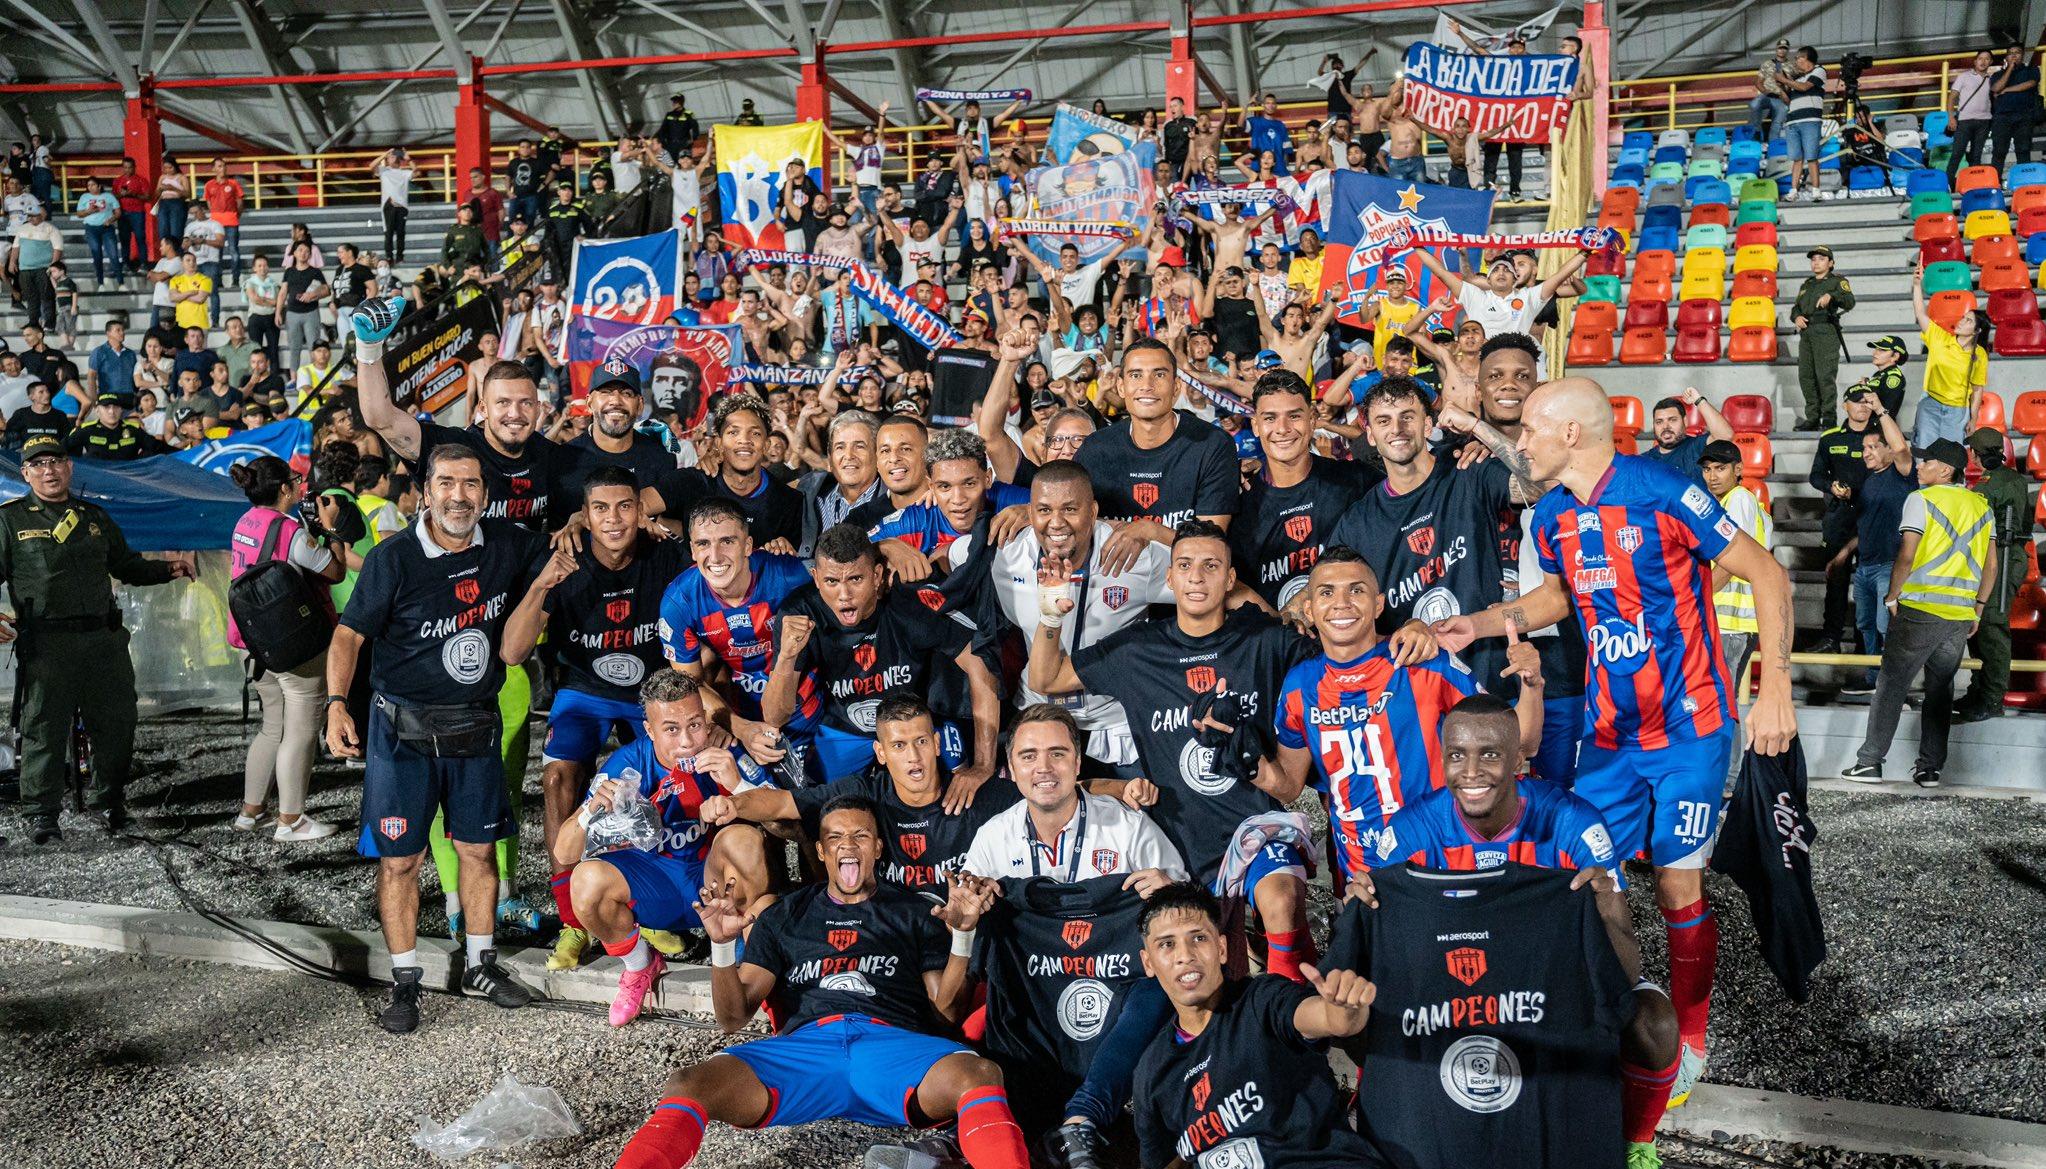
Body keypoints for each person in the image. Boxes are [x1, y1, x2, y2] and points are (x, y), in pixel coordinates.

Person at [1434, 376, 1797, 1108]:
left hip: (1690, 726)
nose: (1520, 439)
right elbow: (1559, 599)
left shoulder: (1664, 489)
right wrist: (1476, 623)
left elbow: (1766, 570)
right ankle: (1617, 1013)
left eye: (1531, 427)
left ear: (1572, 433)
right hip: (1609, 732)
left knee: (1674, 881)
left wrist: (1775, 687)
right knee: (1588, 871)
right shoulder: (1552, 518)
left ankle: (1689, 1035)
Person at [1343, 693, 1683, 1169]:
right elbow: (1376, 963)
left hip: (1548, 994)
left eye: (1490, 754)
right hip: (1451, 998)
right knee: (1352, 1015)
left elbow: (1623, 973)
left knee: (1653, 1021)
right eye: (1458, 755)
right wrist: (1360, 906)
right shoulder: (1408, 832)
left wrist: (1606, 904)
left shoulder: (1575, 823)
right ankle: (1400, 1116)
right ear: (1442, 758)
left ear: (1520, 759)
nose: (1472, 771)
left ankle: (1636, 1142)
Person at [610, 795, 1031, 1169]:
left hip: (893, 1049)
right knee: (688, 1083)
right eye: (835, 838)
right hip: (806, 1051)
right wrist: (721, 947)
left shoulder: (914, 912)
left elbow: (947, 1010)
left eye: (861, 835)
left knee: (978, 1074)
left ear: (878, 848)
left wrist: (962, 937)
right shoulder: (785, 916)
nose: (848, 844)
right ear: (821, 851)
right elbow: (732, 1019)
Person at [1028, 520, 1320, 980]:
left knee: (1281, 902)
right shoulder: (1138, 649)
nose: (1197, 577)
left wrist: (1309, 610)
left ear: (1230, 579)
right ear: (1169, 577)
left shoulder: (1266, 639)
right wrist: (1049, 614)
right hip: (1177, 843)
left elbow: (1335, 653)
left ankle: (1299, 1015)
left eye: (1210, 566)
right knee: (1214, 976)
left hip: (1255, 824)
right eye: (1184, 565)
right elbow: (1044, 680)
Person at [324, 443, 548, 1033]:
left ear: (485, 492)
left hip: (475, 723)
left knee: (478, 851)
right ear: (425, 490)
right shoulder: (393, 558)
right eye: (446, 483)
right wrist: (335, 705)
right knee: (401, 861)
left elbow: (569, 549)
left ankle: (481, 963)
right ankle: (404, 980)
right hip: (402, 731)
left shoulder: (510, 546)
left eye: (471, 484)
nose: (459, 496)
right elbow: (348, 637)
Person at [502, 465, 689, 972]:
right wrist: (542, 585)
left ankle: (649, 908)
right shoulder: (563, 562)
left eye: (625, 507)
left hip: (650, 691)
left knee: (668, 780)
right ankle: (570, 916)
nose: (614, 519)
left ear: (640, 511)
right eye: (601, 509)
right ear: (583, 517)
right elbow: (513, 651)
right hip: (585, 690)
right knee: (560, 777)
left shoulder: (666, 554)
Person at [0, 435, 195, 843]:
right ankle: (44, 816)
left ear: (69, 467)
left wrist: (168, 568)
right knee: (44, 727)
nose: (48, 470)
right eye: (38, 465)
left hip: (103, 642)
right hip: (47, 645)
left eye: (55, 461)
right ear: (25, 473)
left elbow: (125, 565)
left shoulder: (94, 517)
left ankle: (111, 802)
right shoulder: (9, 520)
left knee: (117, 724)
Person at [553, 670, 772, 1026]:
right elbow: (564, 853)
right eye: (671, 729)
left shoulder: (723, 749)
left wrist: (739, 783)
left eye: (695, 725)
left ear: (706, 719)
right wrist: (589, 811)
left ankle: (747, 963)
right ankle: (640, 965)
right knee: (586, 880)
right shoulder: (627, 765)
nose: (687, 741)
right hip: (655, 887)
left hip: (714, 883)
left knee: (745, 839)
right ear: (649, 730)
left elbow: (787, 824)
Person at [1130, 882, 1380, 1169]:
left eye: (1199, 938)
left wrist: (1344, 1007)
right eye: (1167, 944)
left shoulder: (1262, 1000)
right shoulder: (1151, 1072)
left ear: (1222, 948)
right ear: (1148, 962)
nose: (1185, 955)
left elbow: (1325, 1018)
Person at [1275, 547, 1485, 874]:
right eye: (1327, 592)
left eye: (1356, 590)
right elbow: (1288, 785)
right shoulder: (1299, 685)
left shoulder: (1425, 661)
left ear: (1378, 604)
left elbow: (1518, 742)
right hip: (1359, 877)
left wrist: (1532, 686)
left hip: (1443, 862)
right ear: (1310, 609)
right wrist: (1248, 761)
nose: (1342, 602)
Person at [762, 525, 1000, 787]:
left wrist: (983, 765)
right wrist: (785, 658)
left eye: (855, 579)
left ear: (876, 576)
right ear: (816, 578)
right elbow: (774, 718)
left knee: (960, 792)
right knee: (817, 805)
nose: (844, 595)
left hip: (918, 723)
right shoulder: (800, 613)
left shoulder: (909, 599)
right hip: (848, 729)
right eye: (831, 582)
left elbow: (980, 662)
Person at [1842, 439, 1995, 788]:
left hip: (1920, 608)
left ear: (1945, 470)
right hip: (1958, 613)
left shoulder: (1920, 500)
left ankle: (1869, 762)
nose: (1919, 466)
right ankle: (1929, 769)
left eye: (1927, 462)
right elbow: (1991, 566)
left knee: (1891, 685)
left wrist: (1892, 597)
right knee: (1940, 691)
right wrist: (1978, 608)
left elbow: (1907, 555)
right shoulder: (1982, 506)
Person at [227, 455, 348, 842]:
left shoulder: (245, 522)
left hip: (253, 640)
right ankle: (291, 820)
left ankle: (251, 812)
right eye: (296, 480)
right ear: (283, 489)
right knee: (300, 731)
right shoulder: (289, 532)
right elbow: (335, 571)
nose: (300, 485)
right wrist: (330, 531)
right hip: (291, 644)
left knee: (272, 727)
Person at [1229, 370, 1380, 608]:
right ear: (1256, 426)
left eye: (1294, 416)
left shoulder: (1355, 482)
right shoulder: (1238, 502)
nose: (1282, 429)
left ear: (1311, 420)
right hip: (1275, 640)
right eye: (1270, 418)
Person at [1955, 427, 2035, 723]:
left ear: (1977, 453)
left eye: (1972, 451)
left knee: (1991, 626)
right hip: (1998, 554)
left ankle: (1991, 697)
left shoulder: (1995, 483)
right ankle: (1980, 691)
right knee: (1980, 627)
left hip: (2002, 554)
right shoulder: (2007, 478)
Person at [1842, 400, 1915, 696]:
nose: (1866, 453)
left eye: (1872, 447)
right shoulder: (1870, 483)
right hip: (1865, 568)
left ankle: (1892, 684)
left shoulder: (1903, 475)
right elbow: (1866, 527)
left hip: (1890, 565)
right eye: (1864, 449)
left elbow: (1902, 450)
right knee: (1866, 626)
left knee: (1888, 629)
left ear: (1887, 449)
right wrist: (1845, 553)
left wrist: (1881, 410)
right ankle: (1875, 679)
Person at [1806, 388, 1887, 654]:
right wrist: (1832, 486)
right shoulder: (1830, 438)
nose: (1862, 407)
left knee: (1871, 584)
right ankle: (1831, 639)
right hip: (1839, 518)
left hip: (1871, 518)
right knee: (1836, 580)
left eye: (1867, 402)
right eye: (1857, 402)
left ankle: (1867, 644)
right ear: (1845, 406)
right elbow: (1816, 476)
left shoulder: (1880, 437)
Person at [1698, 441, 1773, 693]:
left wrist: (1697, 602)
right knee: (1719, 705)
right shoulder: (1727, 502)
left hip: (1732, 624)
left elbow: (1731, 561)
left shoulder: (1739, 499)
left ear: (1738, 469)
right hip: (1728, 623)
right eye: (1707, 469)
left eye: (1720, 468)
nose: (1712, 476)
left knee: (1721, 705)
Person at [1911, 267, 1988, 446]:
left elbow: (1977, 389)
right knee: (1924, 454)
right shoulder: (1939, 337)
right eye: (1963, 317)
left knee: (1951, 460)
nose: (1961, 321)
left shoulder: (1979, 354)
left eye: (1968, 320)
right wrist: (1916, 285)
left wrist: (1973, 418)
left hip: (1957, 411)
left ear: (1977, 330)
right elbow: (1920, 313)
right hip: (1930, 403)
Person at [1791, 245, 1855, 431]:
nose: (1816, 262)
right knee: (1806, 377)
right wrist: (1796, 317)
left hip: (1826, 331)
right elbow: (1797, 307)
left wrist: (1832, 295)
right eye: (1813, 259)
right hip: (1807, 333)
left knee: (1825, 377)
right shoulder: (1807, 284)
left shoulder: (1837, 281)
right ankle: (1812, 418)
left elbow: (1850, 302)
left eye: (1821, 259)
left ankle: (1828, 419)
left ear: (1831, 263)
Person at [1638, 389, 1736, 487]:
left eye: (1672, 420)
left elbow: (1725, 436)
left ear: (1685, 421)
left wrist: (1698, 400)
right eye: (1659, 422)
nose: (1665, 426)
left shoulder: (1696, 446)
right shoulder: (1645, 460)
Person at [1782, 47, 1827, 201]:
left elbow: (1804, 87)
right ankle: (1793, 191)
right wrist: (1779, 86)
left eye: (1798, 58)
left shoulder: (1819, 71)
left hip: (1810, 120)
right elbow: (1787, 99)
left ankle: (1816, 190)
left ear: (1805, 58)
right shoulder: (1796, 78)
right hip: (1792, 121)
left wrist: (1784, 80)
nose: (1796, 61)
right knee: (1797, 158)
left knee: (1812, 157)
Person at [68, 393, 166, 460]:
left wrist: (181, 453)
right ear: (97, 411)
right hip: (97, 483)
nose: (112, 411)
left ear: (121, 410)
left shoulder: (133, 429)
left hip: (129, 480)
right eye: (107, 407)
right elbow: (62, 450)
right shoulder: (86, 430)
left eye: (116, 407)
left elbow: (158, 447)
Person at [1991, 42, 2040, 170]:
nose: (2014, 56)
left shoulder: (2031, 69)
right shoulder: (1997, 75)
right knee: (1999, 152)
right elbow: (1996, 88)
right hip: (2002, 117)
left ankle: (2024, 184)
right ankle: (1995, 184)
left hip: (2024, 115)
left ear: (2022, 55)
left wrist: (2007, 90)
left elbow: (2031, 83)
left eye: (2017, 52)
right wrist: (2009, 69)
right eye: (2010, 54)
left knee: (2023, 150)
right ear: (2006, 58)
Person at [1949, 49, 1996, 182]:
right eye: (1980, 58)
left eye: (1987, 59)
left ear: (1991, 62)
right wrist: (1951, 117)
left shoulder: (1991, 80)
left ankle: (1973, 183)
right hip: (1964, 121)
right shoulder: (1964, 76)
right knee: (1957, 154)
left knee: (1976, 156)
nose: (1983, 61)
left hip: (1984, 122)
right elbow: (1952, 97)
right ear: (1975, 61)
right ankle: (1948, 184)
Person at [373, 147, 414, 262]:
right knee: (389, 232)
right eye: (389, 156)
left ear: (398, 158)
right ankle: (389, 256)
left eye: (393, 155)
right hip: (388, 205)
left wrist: (409, 160)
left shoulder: (404, 173)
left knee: (401, 232)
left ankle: (400, 256)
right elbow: (371, 166)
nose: (390, 157)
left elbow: (416, 172)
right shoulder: (384, 171)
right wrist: (384, 154)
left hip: (402, 206)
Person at [3, 380, 70, 449]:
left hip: (53, 455)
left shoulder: (60, 415)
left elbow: (67, 439)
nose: (46, 394)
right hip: (26, 456)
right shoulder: (21, 414)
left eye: (47, 391)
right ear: (31, 397)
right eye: (41, 392)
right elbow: (8, 435)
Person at [1747, 39, 1793, 139]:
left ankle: (1773, 145)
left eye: (1785, 48)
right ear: (1776, 49)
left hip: (1781, 98)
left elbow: (1795, 84)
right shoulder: (1767, 64)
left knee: (1777, 124)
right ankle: (1757, 131)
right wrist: (1766, 92)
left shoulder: (1792, 66)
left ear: (1788, 50)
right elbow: (1758, 82)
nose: (1782, 50)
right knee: (1754, 104)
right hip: (1767, 95)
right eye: (1780, 48)